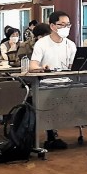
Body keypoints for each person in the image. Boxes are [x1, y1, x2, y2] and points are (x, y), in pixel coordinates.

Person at [30, 11, 80, 149]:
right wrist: (41, 68)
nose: (66, 28)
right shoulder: (42, 43)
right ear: (52, 26)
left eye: (68, 25)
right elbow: (32, 66)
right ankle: (51, 135)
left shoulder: (70, 44)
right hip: (47, 84)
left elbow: (73, 66)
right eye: (62, 25)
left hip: (66, 83)